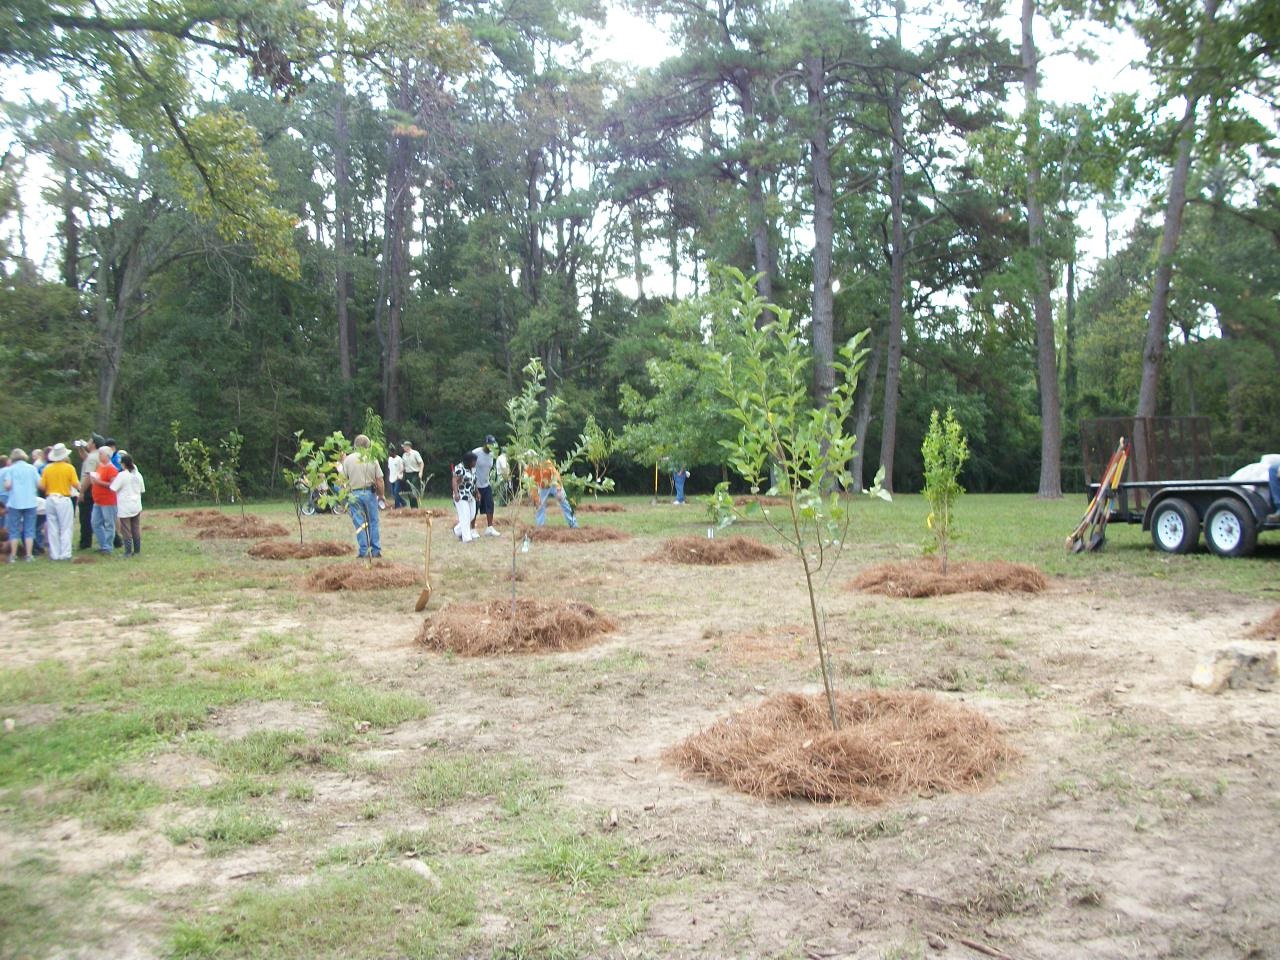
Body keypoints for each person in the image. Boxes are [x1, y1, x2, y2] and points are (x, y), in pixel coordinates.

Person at [342, 435, 385, 558]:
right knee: (373, 522)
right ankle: (376, 550)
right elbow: (379, 480)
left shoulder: (348, 460)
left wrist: (344, 497)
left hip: (354, 494)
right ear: (368, 446)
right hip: (369, 493)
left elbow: (342, 480)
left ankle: (363, 550)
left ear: (355, 446)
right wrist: (381, 495)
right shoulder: (372, 459)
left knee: (360, 523)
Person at [38, 443, 79, 561]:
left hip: (50, 498)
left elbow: (42, 486)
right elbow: (75, 484)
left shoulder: (47, 468)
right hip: (63, 498)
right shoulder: (69, 468)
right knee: (66, 527)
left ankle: (54, 554)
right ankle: (65, 553)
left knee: (52, 526)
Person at [3, 449, 40, 562]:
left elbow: (8, 485)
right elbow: (39, 484)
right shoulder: (32, 468)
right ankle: (29, 555)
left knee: (14, 530)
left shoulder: (10, 469)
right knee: (29, 529)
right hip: (30, 501)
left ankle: (13, 555)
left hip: (15, 502)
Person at [526, 456, 578, 528]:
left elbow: (555, 475)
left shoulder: (546, 463)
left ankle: (573, 524)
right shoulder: (528, 469)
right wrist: (535, 498)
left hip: (553, 483)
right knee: (539, 506)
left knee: (564, 503)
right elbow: (531, 485)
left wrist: (559, 489)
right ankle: (540, 527)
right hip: (542, 487)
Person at [111, 453, 146, 557]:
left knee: (126, 529)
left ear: (123, 464)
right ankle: (137, 550)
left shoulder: (122, 475)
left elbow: (113, 488)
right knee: (135, 527)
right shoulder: (138, 475)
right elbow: (142, 489)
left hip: (125, 505)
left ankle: (127, 551)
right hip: (136, 504)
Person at [89, 447, 120, 555]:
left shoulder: (112, 469)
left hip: (108, 500)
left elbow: (113, 485)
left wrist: (98, 482)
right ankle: (103, 544)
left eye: (101, 454)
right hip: (98, 500)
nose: (99, 456)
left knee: (109, 524)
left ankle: (107, 547)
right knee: (95, 522)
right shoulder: (100, 467)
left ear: (107, 455)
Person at [469, 435, 501, 537]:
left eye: (492, 445)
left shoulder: (492, 454)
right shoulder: (476, 453)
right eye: (489, 445)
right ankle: (472, 529)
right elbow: (468, 465)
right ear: (485, 444)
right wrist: (472, 483)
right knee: (475, 507)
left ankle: (489, 528)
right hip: (476, 485)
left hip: (486, 484)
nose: (491, 447)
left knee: (490, 505)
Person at [76, 435, 103, 550]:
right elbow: (85, 458)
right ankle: (114, 539)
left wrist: (82, 492)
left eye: (90, 441)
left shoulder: (92, 457)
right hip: (95, 489)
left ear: (94, 444)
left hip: (88, 489)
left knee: (85, 517)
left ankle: (85, 542)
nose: (88, 442)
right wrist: (80, 448)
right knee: (98, 516)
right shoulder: (96, 456)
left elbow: (89, 475)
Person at [452, 451, 479, 542]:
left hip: (470, 495)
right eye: (474, 461)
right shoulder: (460, 468)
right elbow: (454, 481)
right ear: (468, 461)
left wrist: (477, 492)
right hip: (461, 495)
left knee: (471, 515)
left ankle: (457, 530)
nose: (475, 463)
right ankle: (467, 538)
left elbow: (473, 481)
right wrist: (456, 494)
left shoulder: (473, 469)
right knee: (465, 516)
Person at [400, 440, 424, 508]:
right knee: (409, 491)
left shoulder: (415, 453)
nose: (403, 448)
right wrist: (400, 472)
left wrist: (421, 472)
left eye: (404, 447)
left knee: (413, 488)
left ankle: (415, 507)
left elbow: (421, 463)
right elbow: (404, 466)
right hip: (408, 474)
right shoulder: (404, 455)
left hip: (415, 474)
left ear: (408, 447)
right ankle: (412, 507)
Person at [387, 443, 405, 508]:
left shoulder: (399, 459)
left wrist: (399, 474)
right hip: (391, 478)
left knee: (396, 492)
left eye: (390, 452)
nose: (389, 453)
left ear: (393, 452)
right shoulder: (389, 459)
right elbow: (390, 468)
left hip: (398, 477)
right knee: (393, 494)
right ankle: (403, 503)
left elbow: (403, 468)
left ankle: (397, 506)